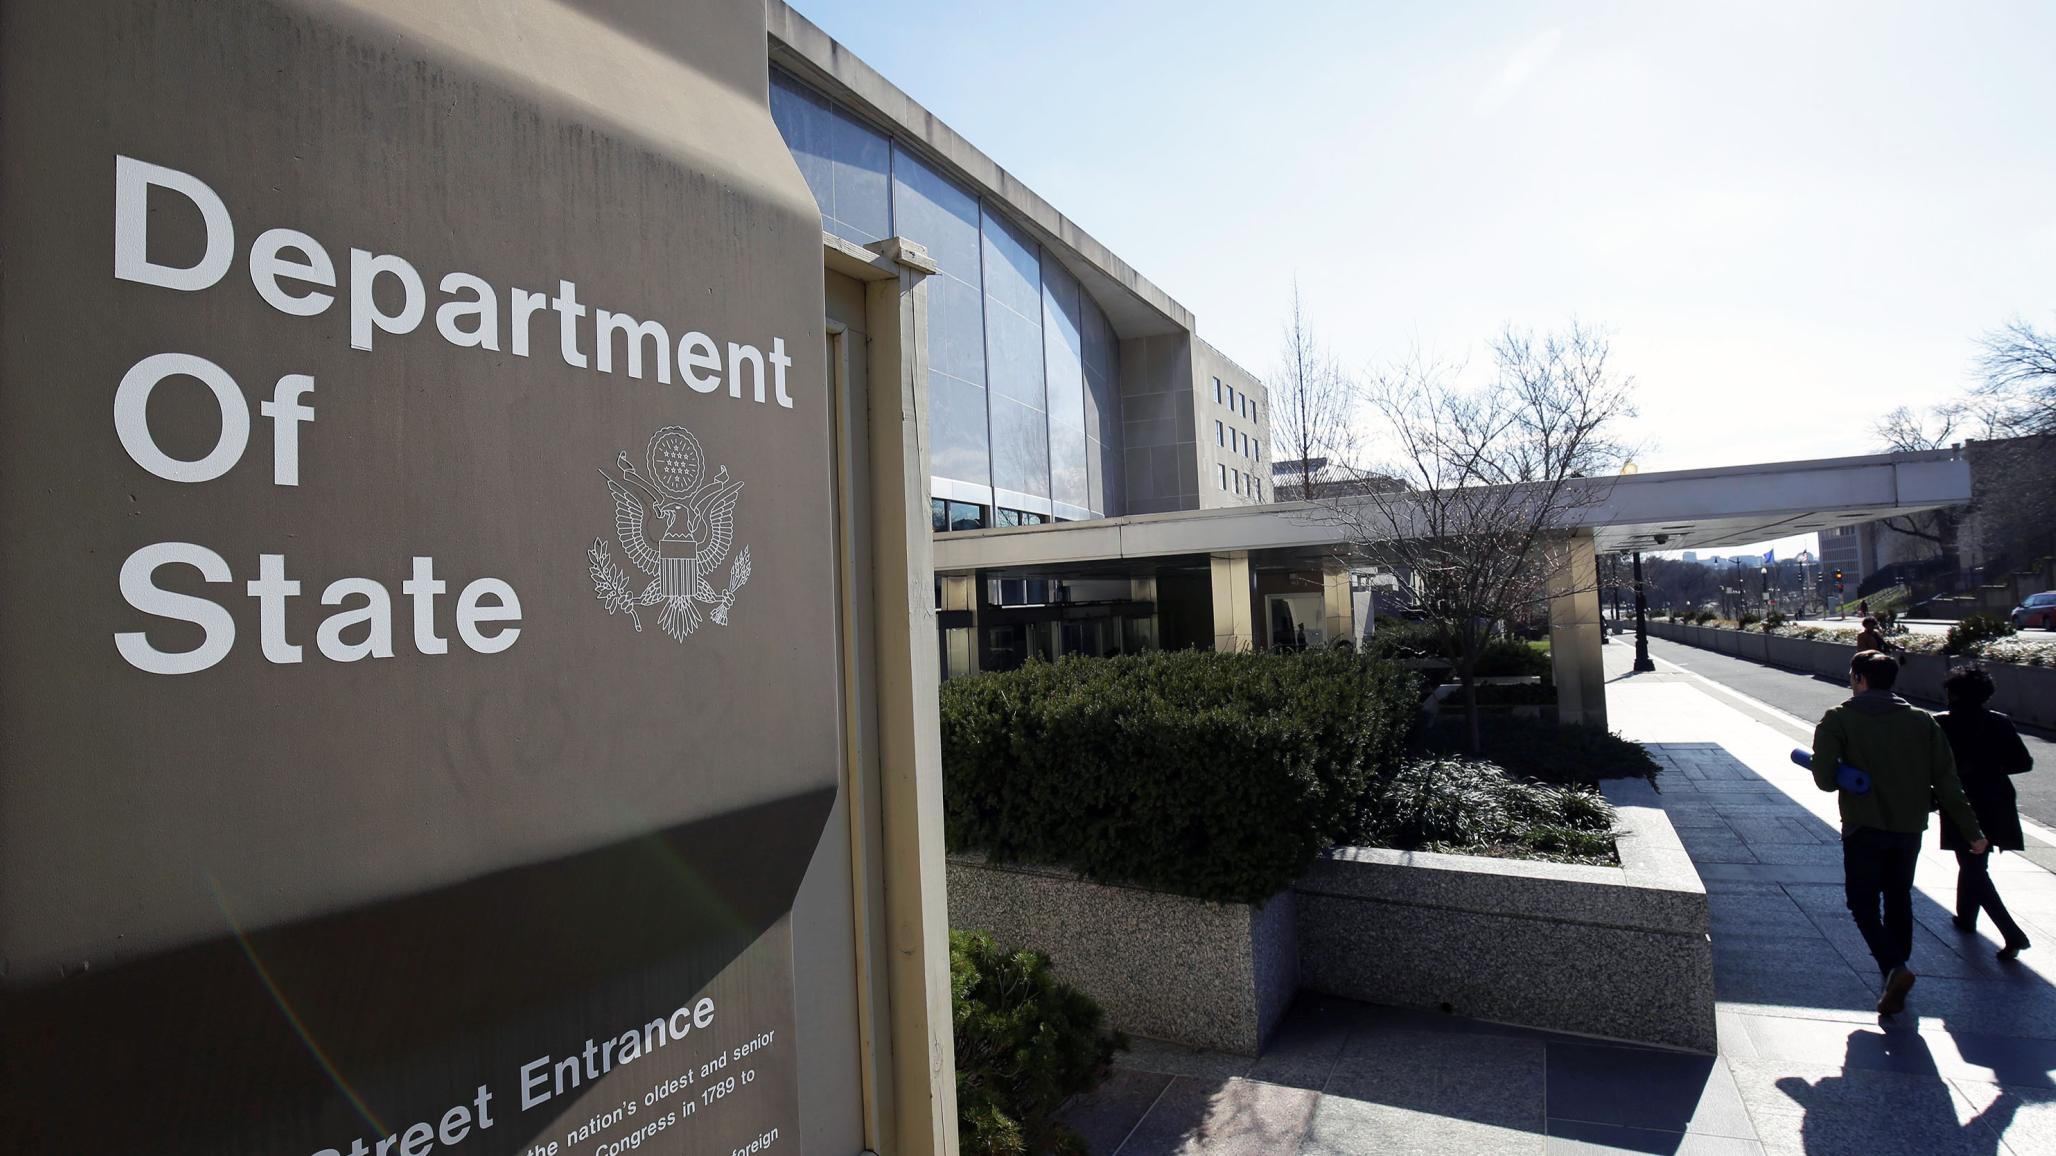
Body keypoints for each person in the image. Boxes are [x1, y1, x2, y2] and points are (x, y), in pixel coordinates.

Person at [1811, 650, 1987, 1015]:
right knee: (1898, 897)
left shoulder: (1838, 719)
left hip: (1863, 826)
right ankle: (1897, 971)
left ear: (1859, 679)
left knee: (1862, 902)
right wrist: (1972, 832)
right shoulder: (1923, 722)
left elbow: (1825, 781)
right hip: (1909, 827)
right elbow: (1948, 782)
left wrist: (1843, 771)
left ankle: (1894, 967)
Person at [1937, 665, 2035, 959]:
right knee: (1975, 864)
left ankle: (2011, 932)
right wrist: (1992, 767)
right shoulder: (2000, 722)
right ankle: (1966, 917)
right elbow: (2023, 762)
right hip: (1997, 800)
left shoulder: (1943, 723)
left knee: (1971, 864)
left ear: (1953, 693)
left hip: (1961, 801)